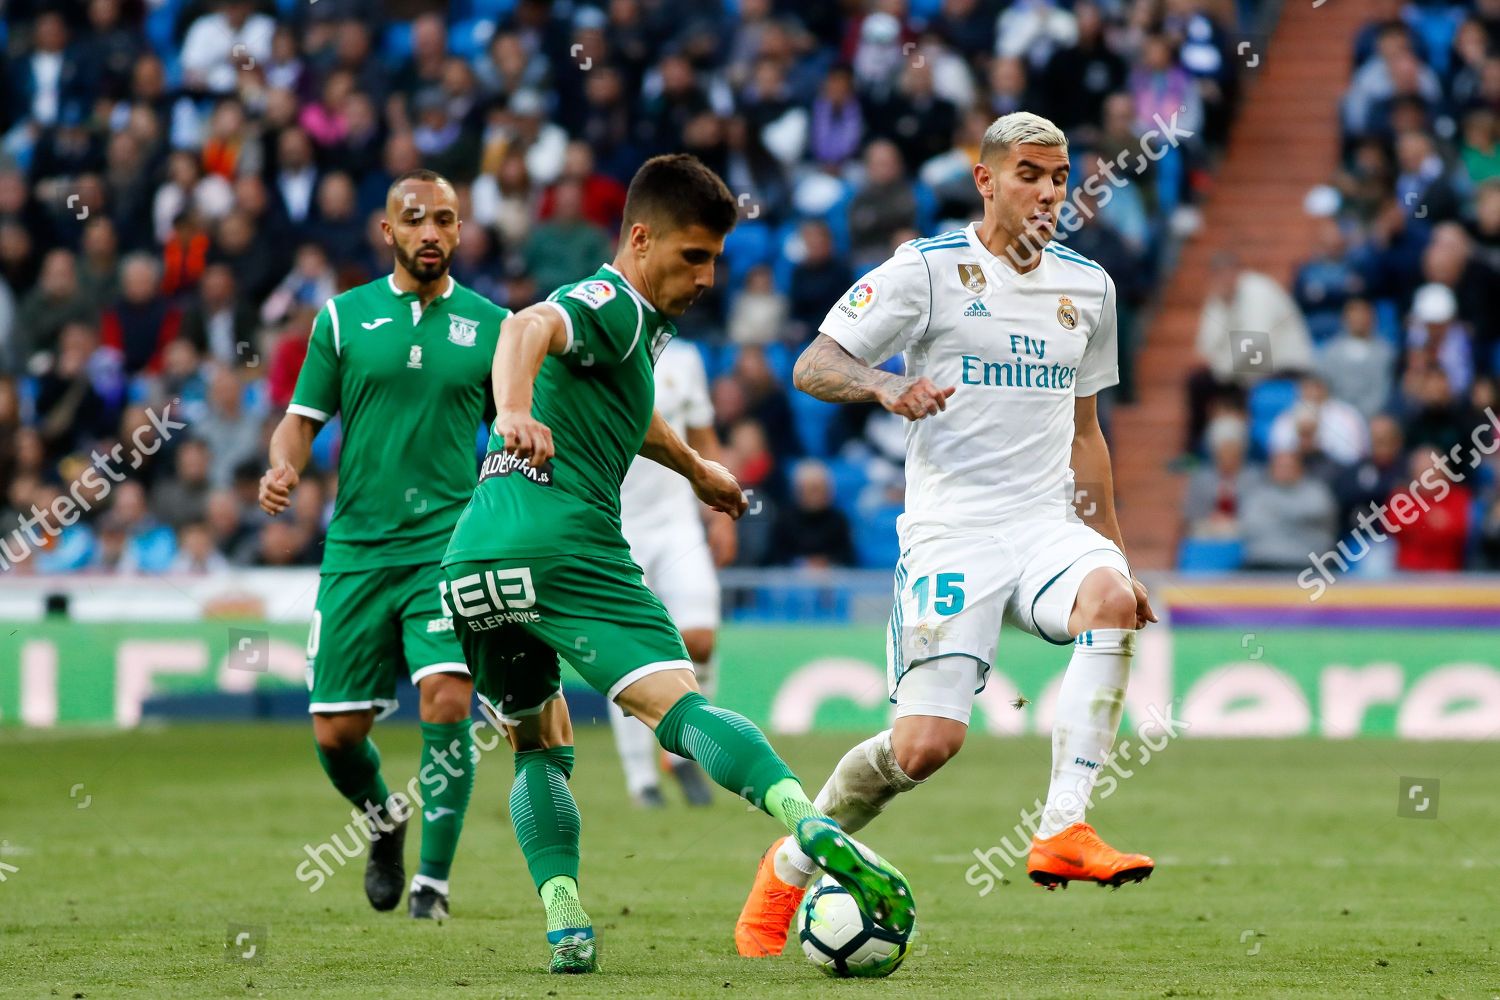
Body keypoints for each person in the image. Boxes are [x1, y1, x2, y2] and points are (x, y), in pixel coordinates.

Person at [440, 154, 913, 974]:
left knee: (539, 743)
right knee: (679, 706)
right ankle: (807, 821)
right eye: (692, 257)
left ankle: (566, 921)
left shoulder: (636, 333)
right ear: (638, 238)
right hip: (565, 545)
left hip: (476, 559)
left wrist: (697, 469)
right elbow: (526, 326)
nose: (707, 277)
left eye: (717, 260)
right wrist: (512, 407)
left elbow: (630, 409)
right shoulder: (611, 301)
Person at [735, 111, 1158, 958]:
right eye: (1031, 174)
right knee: (926, 746)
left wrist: (1114, 552)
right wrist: (884, 387)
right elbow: (812, 363)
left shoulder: (1090, 288)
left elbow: (1088, 436)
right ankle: (788, 864)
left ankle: (1062, 829)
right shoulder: (925, 272)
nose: (1047, 191)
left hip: (1045, 524)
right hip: (952, 531)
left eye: (1061, 175)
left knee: (1109, 602)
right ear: (986, 180)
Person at [258, 169, 505, 922]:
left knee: (447, 697)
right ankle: (382, 817)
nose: (429, 231)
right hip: (358, 550)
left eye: (444, 219)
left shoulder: (496, 326)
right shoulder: (342, 318)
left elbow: (520, 427)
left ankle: (433, 882)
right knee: (337, 733)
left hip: (447, 547)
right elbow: (301, 420)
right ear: (386, 231)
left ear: (461, 231)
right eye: (414, 219)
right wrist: (283, 467)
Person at [609, 336, 735, 808]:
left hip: (678, 522)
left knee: (700, 638)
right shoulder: (600, 347)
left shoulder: (685, 356)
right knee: (627, 655)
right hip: (615, 525)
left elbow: (702, 436)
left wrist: (720, 513)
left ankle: (682, 751)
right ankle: (642, 780)